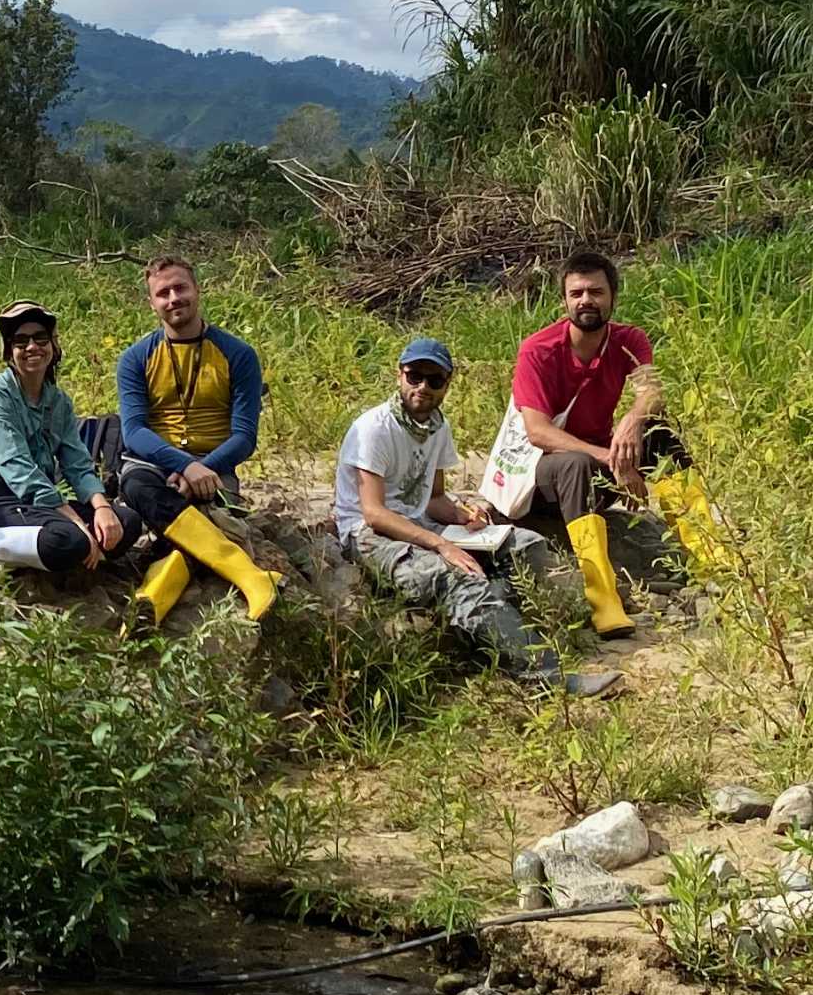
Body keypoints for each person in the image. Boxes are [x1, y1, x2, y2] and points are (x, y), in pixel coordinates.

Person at [335, 338, 620, 696]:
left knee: (525, 545)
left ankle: (493, 631)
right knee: (458, 577)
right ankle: (545, 675)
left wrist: (464, 514)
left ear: (448, 384)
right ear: (399, 375)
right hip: (369, 535)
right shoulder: (373, 428)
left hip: (419, 523)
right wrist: (442, 545)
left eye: (434, 380)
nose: (422, 387)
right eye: (414, 376)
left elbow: (433, 498)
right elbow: (374, 513)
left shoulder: (437, 427)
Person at [512, 251, 723, 639]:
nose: (586, 300)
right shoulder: (538, 350)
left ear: (613, 297)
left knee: (658, 430)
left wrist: (631, 420)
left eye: (596, 291)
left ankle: (711, 558)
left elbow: (652, 391)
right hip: (540, 479)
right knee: (574, 461)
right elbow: (537, 432)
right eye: (576, 293)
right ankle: (602, 598)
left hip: (596, 470)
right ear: (564, 300)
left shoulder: (629, 340)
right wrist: (612, 458)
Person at [116, 255, 280, 625]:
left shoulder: (238, 354)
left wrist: (203, 468)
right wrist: (184, 466)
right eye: (163, 293)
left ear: (196, 290)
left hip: (215, 462)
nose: (173, 298)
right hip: (155, 464)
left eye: (180, 288)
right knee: (138, 486)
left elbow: (244, 437)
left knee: (207, 512)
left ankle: (156, 592)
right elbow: (134, 432)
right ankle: (249, 575)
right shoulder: (135, 358)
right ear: (152, 303)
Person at [0, 301, 142, 592]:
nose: (32, 347)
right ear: (9, 352)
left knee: (124, 523)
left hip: (34, 504)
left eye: (40, 339)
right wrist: (74, 521)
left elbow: (77, 463)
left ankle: (11, 558)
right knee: (70, 538)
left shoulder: (57, 401)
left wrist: (102, 507)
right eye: (21, 341)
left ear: (53, 346)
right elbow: (18, 470)